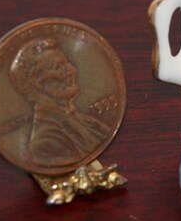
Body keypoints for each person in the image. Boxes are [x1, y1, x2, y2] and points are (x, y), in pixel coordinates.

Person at [8, 37, 111, 168]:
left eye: (66, 63)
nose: (71, 71)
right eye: (58, 67)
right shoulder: (46, 142)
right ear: (37, 82)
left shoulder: (82, 119)